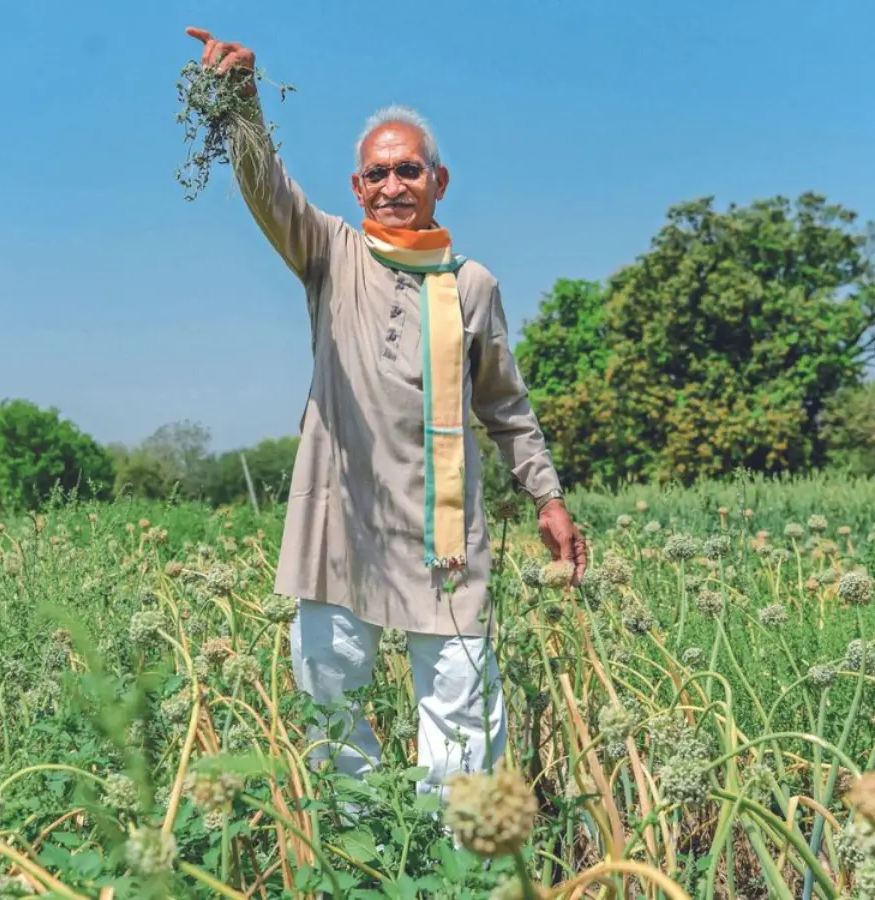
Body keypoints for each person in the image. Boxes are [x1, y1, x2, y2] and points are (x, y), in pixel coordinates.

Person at [185, 27, 587, 805]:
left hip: (442, 531)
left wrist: (547, 495)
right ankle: (364, 856)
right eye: (378, 173)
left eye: (409, 170)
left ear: (439, 180)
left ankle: (455, 869)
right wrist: (241, 105)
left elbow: (504, 403)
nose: (394, 185)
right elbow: (268, 188)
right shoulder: (332, 254)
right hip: (340, 522)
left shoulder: (472, 285)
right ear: (357, 186)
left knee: (462, 715)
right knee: (331, 704)